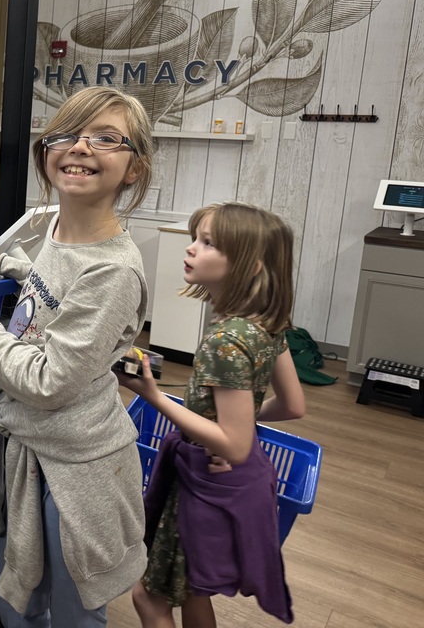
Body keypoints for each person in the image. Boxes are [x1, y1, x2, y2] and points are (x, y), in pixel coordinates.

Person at [0, 86, 156, 627]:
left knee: (71, 612)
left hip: (77, 471)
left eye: (106, 139)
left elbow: (47, 383)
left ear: (134, 169)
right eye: (68, 134)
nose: (82, 147)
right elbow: (54, 289)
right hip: (36, 453)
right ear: (48, 151)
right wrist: (10, 265)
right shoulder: (60, 230)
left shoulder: (115, 270)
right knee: (14, 595)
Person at [118, 202, 306, 627]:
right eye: (195, 239)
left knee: (149, 598)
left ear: (249, 266)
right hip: (239, 481)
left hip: (206, 485)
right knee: (193, 591)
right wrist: (232, 428)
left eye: (208, 243)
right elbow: (294, 406)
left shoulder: (225, 341)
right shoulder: (267, 325)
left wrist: (153, 395)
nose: (191, 249)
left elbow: (235, 446)